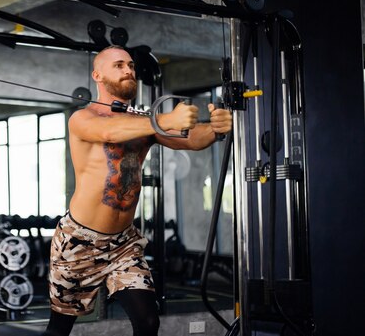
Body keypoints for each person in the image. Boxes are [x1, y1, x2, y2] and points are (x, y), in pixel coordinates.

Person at [46, 46, 232, 336]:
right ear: (97, 75)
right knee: (59, 330)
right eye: (118, 65)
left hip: (123, 244)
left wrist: (216, 129)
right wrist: (164, 120)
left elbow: (190, 139)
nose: (128, 70)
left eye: (130, 65)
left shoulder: (143, 121)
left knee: (147, 322)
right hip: (79, 241)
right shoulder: (82, 119)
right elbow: (109, 132)